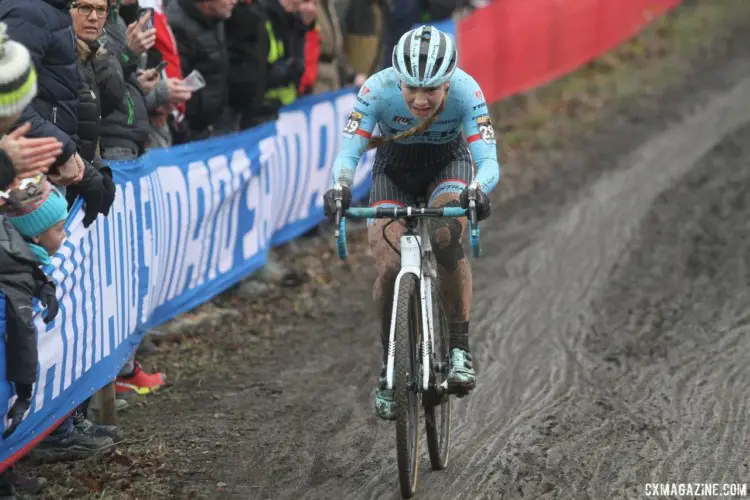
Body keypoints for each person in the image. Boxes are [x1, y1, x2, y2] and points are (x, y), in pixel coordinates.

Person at [322, 26, 499, 420]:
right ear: (397, 80)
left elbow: (487, 162)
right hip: (394, 173)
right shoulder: (375, 89)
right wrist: (339, 187)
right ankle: (389, 369)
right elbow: (348, 153)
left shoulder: (468, 91)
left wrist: (476, 190)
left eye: (432, 90)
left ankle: (458, 348)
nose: (421, 100)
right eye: (411, 89)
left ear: (448, 82)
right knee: (387, 265)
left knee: (444, 236)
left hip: (447, 168)